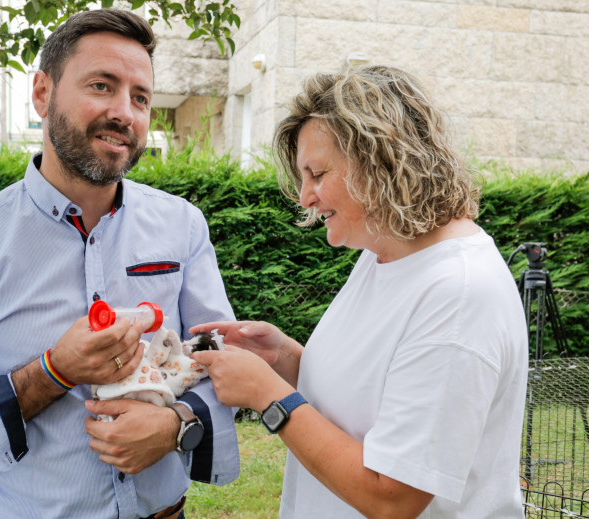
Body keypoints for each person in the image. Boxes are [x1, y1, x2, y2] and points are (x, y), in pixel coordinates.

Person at [0, 9, 239, 519]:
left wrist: (175, 425)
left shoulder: (181, 225)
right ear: (42, 94)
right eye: (102, 85)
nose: (126, 112)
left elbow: (219, 358)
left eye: (140, 97)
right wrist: (53, 372)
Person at [190, 65, 528, 518]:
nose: (305, 196)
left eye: (317, 173)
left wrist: (267, 395)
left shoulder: (459, 294)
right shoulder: (383, 255)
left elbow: (392, 497)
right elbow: (375, 395)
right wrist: (285, 359)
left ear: (380, 161)